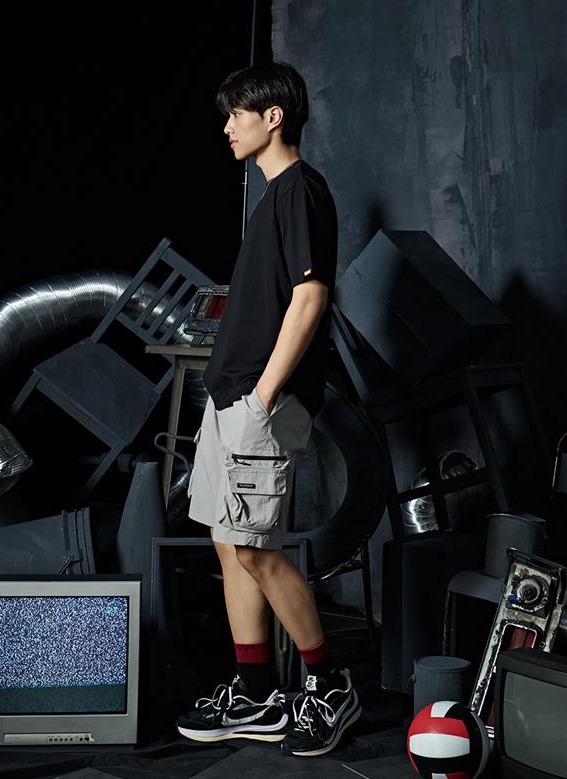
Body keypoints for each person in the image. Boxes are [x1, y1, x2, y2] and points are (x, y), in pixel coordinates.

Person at [176, 61, 360, 757]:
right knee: (230, 544)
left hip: (260, 401)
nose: (228, 127)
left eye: (237, 114)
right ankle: (256, 691)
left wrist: (261, 397)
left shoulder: (300, 191)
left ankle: (330, 685)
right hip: (231, 397)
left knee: (256, 547)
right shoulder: (271, 198)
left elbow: (310, 298)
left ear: (272, 116)